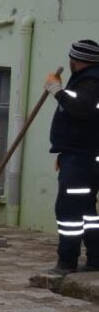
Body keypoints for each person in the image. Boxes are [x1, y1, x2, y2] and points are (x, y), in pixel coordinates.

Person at [45, 39, 99, 275]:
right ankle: (96, 260)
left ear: (76, 61)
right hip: (80, 155)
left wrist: (56, 90)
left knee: (68, 211)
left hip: (83, 158)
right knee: (87, 211)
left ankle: (67, 262)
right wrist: (64, 153)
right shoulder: (89, 79)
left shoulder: (91, 81)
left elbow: (81, 109)